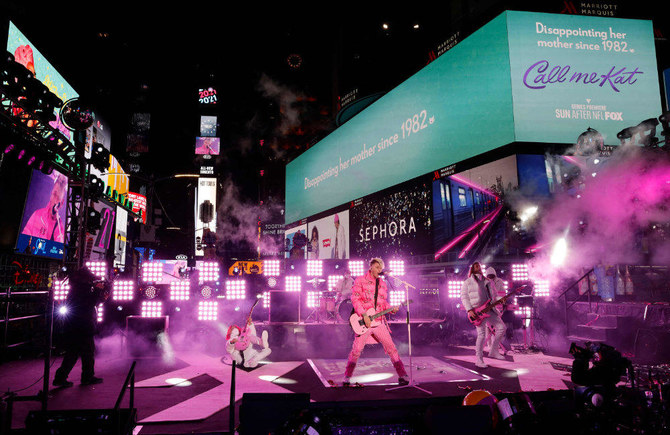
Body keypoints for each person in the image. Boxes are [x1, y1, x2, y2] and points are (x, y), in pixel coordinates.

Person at [343, 258, 408, 386]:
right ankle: (347, 376)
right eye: (377, 267)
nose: (379, 270)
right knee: (356, 350)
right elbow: (355, 299)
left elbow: (383, 303)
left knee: (391, 348)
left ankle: (402, 375)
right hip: (364, 321)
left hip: (378, 322)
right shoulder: (360, 280)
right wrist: (364, 315)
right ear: (371, 267)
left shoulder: (383, 284)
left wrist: (391, 309)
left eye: (380, 268)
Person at [53, 267, 109, 387]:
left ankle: (61, 377)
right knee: (87, 352)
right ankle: (87, 377)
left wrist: (99, 294)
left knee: (73, 353)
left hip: (74, 324)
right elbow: (90, 303)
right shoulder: (83, 289)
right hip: (83, 325)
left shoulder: (75, 287)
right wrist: (98, 291)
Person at [460, 262, 506, 368]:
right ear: (472, 269)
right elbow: (464, 297)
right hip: (478, 311)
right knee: (481, 335)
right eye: (475, 265)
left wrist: (500, 300)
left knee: (502, 327)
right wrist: (469, 310)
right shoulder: (467, 282)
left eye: (479, 266)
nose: (477, 267)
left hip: (490, 309)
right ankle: (479, 359)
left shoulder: (487, 281)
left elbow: (494, 296)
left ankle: (493, 351)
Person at [22, 173, 67, 243]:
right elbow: (24, 237)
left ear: (61, 203)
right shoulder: (37, 214)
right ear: (51, 195)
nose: (55, 200)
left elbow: (59, 248)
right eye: (54, 194)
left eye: (58, 197)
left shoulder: (59, 227)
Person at [484, 267, 512, 355]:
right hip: (487, 308)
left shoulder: (499, 282)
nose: (491, 277)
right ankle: (490, 344)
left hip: (497, 307)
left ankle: (495, 345)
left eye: (492, 276)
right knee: (489, 327)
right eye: (489, 276)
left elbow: (503, 294)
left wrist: (502, 302)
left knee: (497, 327)